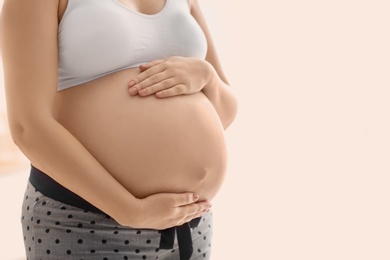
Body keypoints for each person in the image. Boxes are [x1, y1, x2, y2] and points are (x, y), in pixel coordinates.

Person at [0, 0, 237, 259]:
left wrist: (207, 77)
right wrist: (132, 211)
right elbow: (29, 127)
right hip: (85, 220)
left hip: (190, 222)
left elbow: (225, 113)